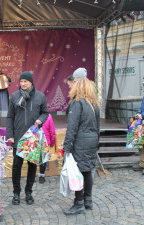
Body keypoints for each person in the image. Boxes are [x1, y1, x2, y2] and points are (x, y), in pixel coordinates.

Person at [6, 71, 48, 205]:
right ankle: (16, 193)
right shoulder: (14, 96)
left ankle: (28, 192)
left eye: (26, 81)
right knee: (16, 166)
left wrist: (39, 121)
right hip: (18, 137)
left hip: (32, 138)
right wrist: (10, 135)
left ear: (31, 82)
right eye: (21, 81)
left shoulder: (40, 97)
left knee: (32, 165)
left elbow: (45, 113)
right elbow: (10, 117)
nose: (23, 84)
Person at [63, 77, 100, 215]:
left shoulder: (77, 103)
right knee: (88, 170)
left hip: (81, 142)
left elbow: (72, 127)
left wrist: (67, 146)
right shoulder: (93, 103)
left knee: (77, 172)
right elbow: (98, 126)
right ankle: (88, 200)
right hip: (91, 141)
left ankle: (78, 203)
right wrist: (97, 143)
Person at [38, 113, 56, 184]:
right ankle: (41, 176)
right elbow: (52, 131)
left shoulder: (33, 114)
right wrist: (52, 142)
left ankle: (31, 175)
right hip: (45, 141)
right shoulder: (48, 116)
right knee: (43, 159)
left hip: (35, 140)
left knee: (33, 158)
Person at [132, 95, 144, 174]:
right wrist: (138, 113)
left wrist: (142, 115)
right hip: (141, 123)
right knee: (141, 143)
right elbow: (142, 107)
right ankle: (142, 163)